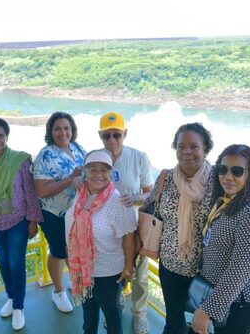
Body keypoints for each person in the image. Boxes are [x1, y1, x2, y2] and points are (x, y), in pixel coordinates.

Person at [142, 102, 250, 334]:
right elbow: (150, 206)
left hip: (203, 273)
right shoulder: (165, 178)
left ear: (206, 150)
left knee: (199, 326)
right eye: (181, 146)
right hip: (171, 267)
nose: (187, 152)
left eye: (194, 146)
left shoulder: (219, 176)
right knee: (175, 322)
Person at [189, 144, 250, 334]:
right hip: (221, 293)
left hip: (242, 301)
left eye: (237, 171)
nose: (228, 176)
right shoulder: (230, 198)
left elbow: (240, 270)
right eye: (223, 169)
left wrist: (208, 310)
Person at [0, 118, 43, 331]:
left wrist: (32, 221)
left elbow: (30, 192)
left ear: (7, 137)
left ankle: (19, 307)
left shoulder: (20, 161)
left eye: (0, 135)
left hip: (17, 222)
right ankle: (11, 298)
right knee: (3, 261)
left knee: (16, 262)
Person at [65, 150, 137, 334]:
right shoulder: (81, 195)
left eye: (104, 170)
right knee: (88, 315)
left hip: (108, 272)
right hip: (83, 269)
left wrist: (129, 266)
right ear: (86, 172)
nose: (98, 174)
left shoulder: (117, 201)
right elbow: (73, 227)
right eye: (93, 169)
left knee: (112, 316)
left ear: (110, 173)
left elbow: (129, 234)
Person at [97, 112, 153, 334]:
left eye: (117, 135)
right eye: (106, 136)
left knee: (139, 274)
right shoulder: (96, 159)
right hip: (107, 230)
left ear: (125, 134)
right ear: (100, 136)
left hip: (136, 227)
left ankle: (140, 315)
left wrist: (135, 198)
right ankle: (115, 309)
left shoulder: (139, 157)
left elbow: (150, 194)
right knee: (112, 272)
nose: (112, 141)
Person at [32, 111, 87, 313]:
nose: (63, 132)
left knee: (73, 249)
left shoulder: (78, 148)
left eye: (66, 128)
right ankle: (58, 291)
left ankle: (73, 280)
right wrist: (69, 180)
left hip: (76, 212)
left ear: (72, 130)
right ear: (51, 131)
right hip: (54, 214)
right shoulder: (46, 154)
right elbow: (41, 190)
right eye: (58, 129)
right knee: (58, 251)